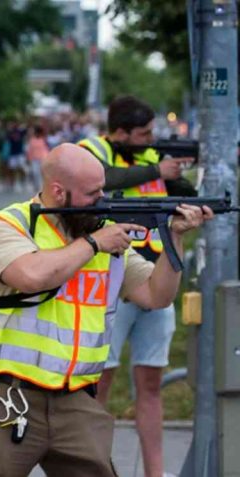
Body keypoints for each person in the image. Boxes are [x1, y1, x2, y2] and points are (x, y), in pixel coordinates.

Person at [0, 144, 211, 477]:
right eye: (92, 192)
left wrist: (174, 237)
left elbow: (156, 295)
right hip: (11, 395)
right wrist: (95, 243)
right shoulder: (6, 226)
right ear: (58, 191)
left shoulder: (99, 232)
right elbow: (31, 276)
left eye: (103, 189)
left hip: (78, 400)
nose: (102, 198)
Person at [78, 95, 195, 477]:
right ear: (121, 132)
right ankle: (95, 468)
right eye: (143, 134)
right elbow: (105, 179)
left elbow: (184, 196)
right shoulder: (89, 150)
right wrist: (157, 170)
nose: (150, 139)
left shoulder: (150, 159)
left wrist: (175, 176)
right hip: (111, 278)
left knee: (150, 385)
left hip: (155, 277)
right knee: (100, 386)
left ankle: (154, 473)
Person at [26, 125, 50, 192]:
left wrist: (47, 157)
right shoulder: (32, 140)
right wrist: (29, 158)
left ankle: (41, 187)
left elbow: (46, 149)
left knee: (41, 173)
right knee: (35, 172)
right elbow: (30, 150)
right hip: (34, 159)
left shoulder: (43, 139)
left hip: (42, 158)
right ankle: (36, 185)